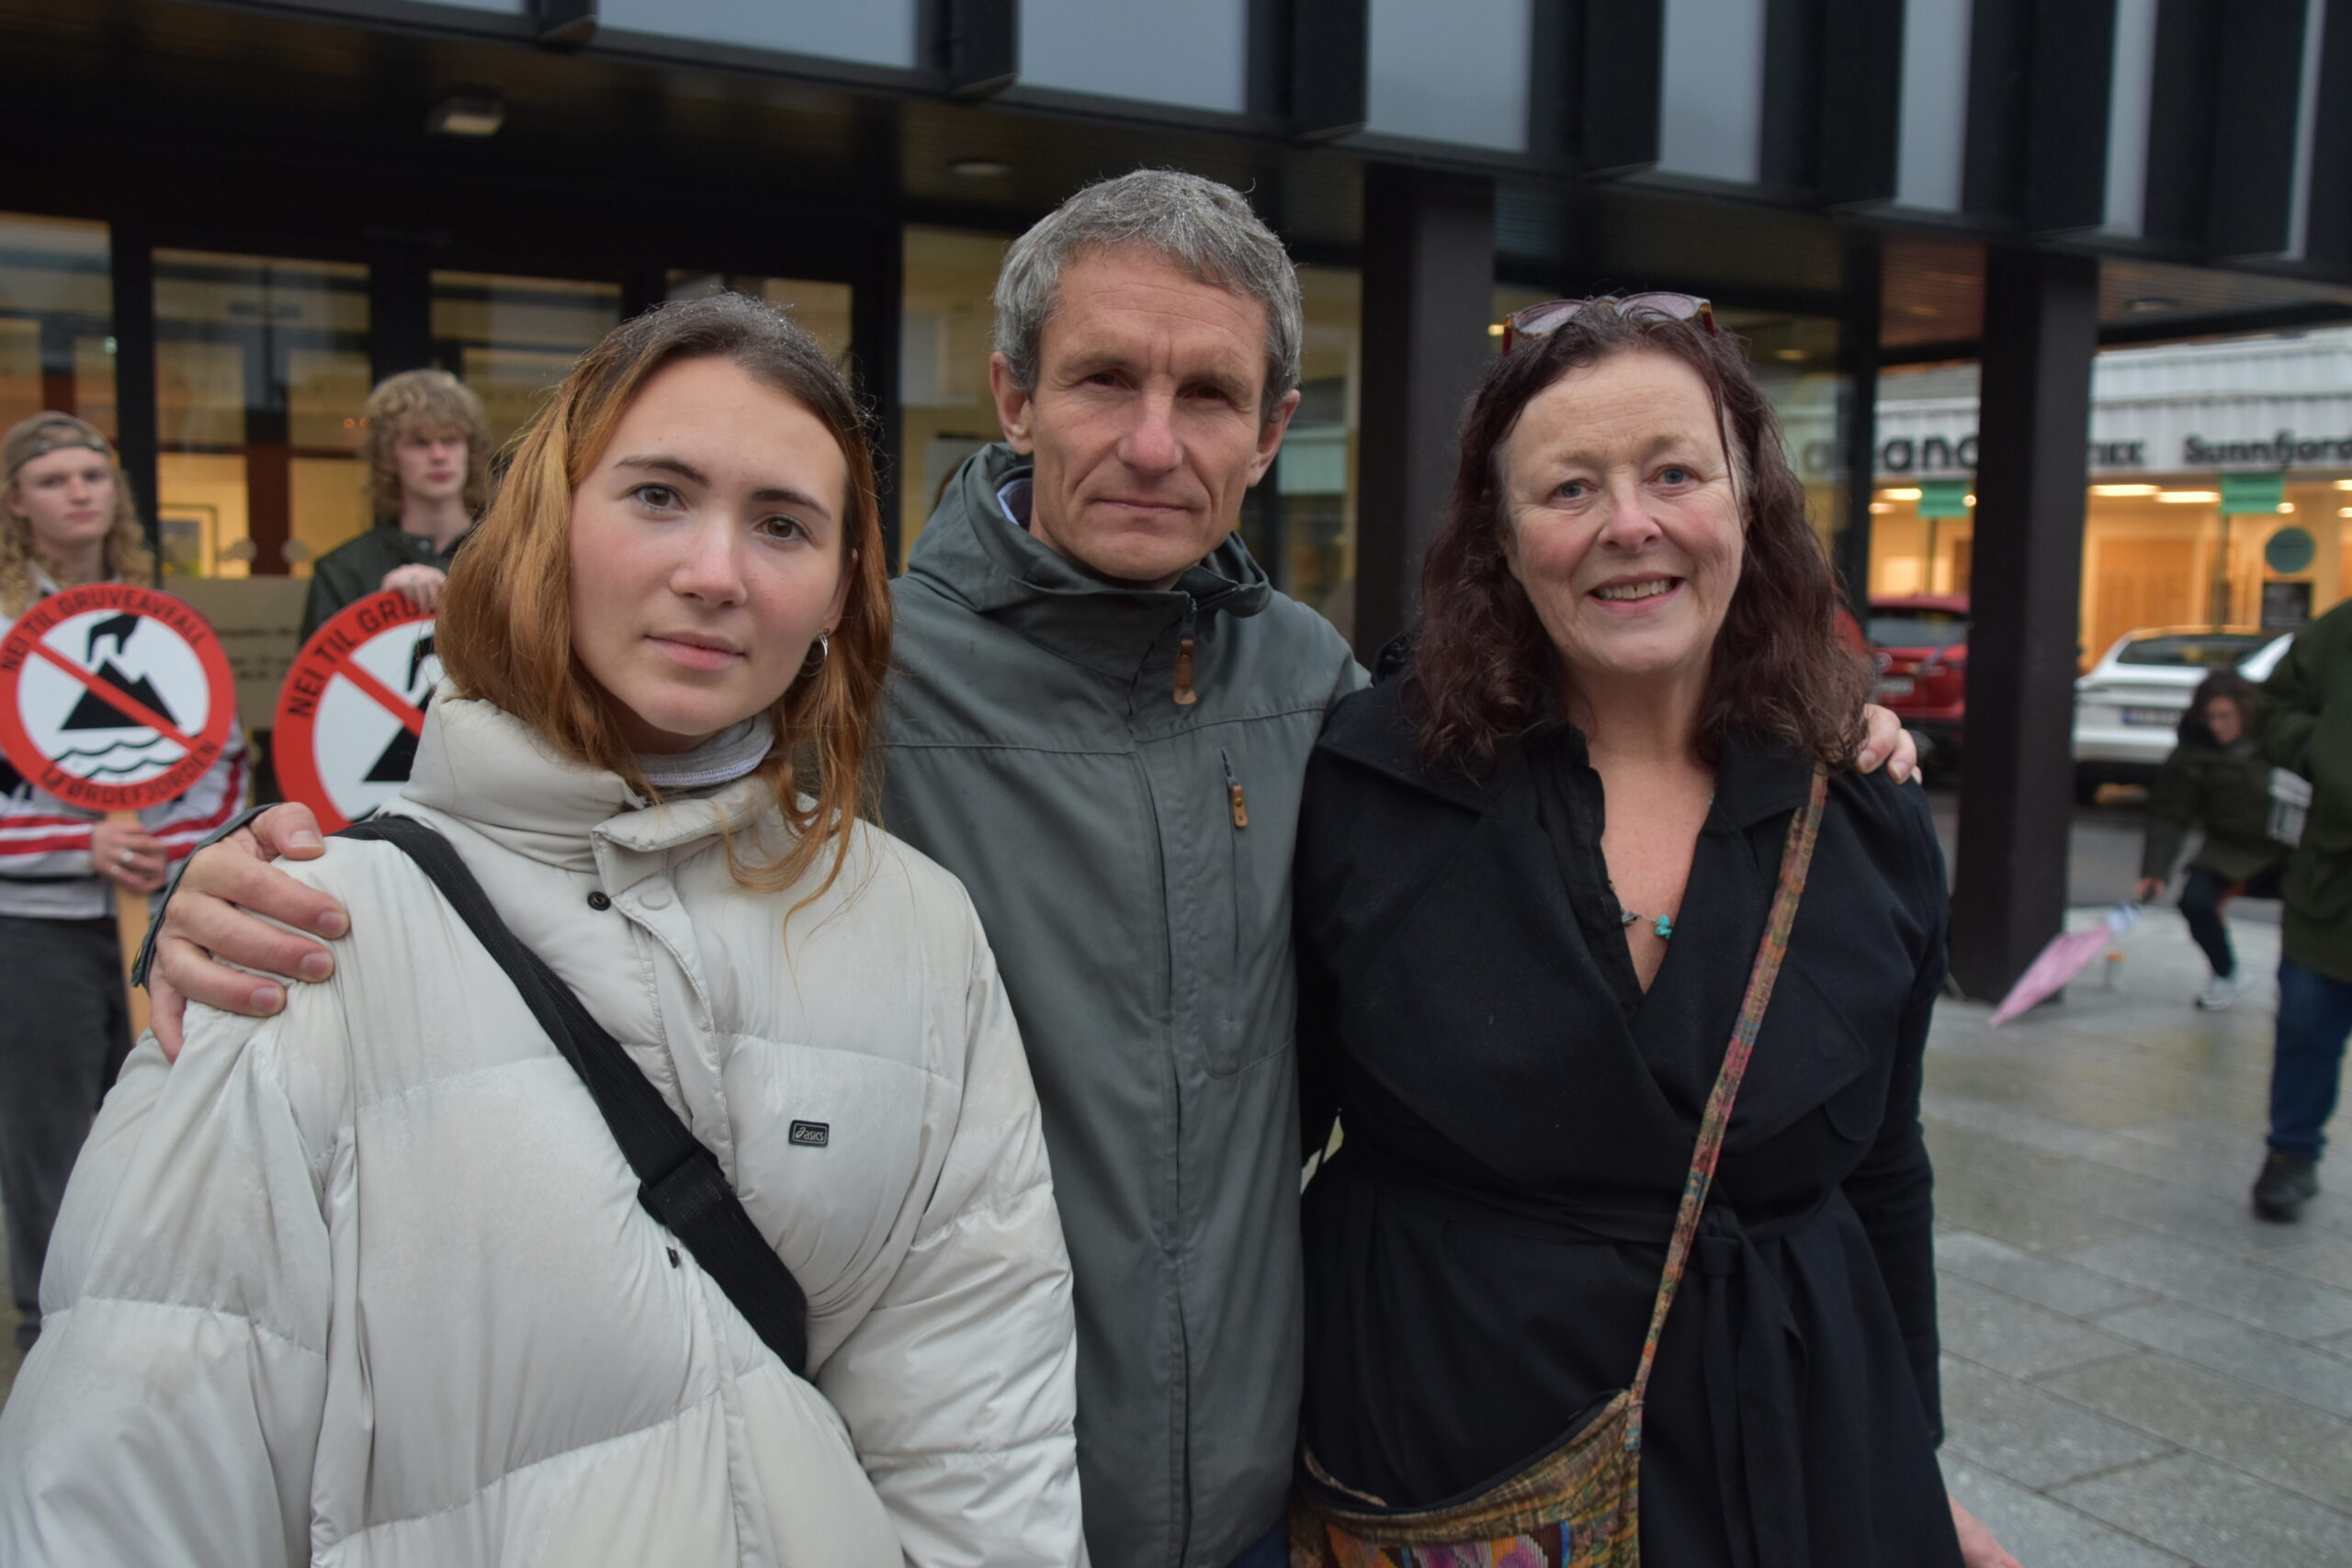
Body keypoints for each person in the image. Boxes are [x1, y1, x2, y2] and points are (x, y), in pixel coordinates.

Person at [138, 173, 1917, 1568]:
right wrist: (279, 881)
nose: (1152, 441)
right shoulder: (848, 666)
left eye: (1207, 395)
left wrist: (1813, 730)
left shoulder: (1321, 692)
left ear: (1271, 425)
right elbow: (574, 827)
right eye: (1104, 380)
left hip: (1259, 1489)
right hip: (915, 1490)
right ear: (1012, 394)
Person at [0, 297, 1083, 1566]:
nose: (715, 572)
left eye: (783, 524)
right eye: (658, 496)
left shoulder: (918, 923)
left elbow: (980, 1435)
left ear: (842, 589)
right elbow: (128, 1488)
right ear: (546, 521)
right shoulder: (300, 934)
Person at [1289, 298, 2015, 1567]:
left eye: (1675, 472)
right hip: (1459, 1471)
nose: (1630, 524)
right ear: (1501, 537)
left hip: (1794, 1462)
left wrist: (1919, 1461)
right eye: (1570, 487)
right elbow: (1263, 1146)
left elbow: (1883, 1173)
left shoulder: (1863, 811)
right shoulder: (1369, 787)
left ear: (1750, 503)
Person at [0, 412, 249, 1353]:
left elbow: (221, 762)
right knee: (48, 1143)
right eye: (52, 478)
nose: (78, 492)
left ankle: (142, 1333)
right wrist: (81, 843)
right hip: (32, 928)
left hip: (158, 919)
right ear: (15, 503)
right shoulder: (3, 629)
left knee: (159, 1120)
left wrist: (169, 854)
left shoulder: (163, 623)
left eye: (92, 475)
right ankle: (52, 1337)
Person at [2251, 597, 2352, 1222]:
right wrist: (2319, 749)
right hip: (2333, 878)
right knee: (2307, 1022)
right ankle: (2291, 1153)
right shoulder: (2340, 631)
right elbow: (2274, 708)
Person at [2133, 671, 2287, 1012]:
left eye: (2225, 716)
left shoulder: (2277, 738)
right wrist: (2155, 870)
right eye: (2211, 717)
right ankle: (2226, 973)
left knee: (2312, 911)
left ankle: (2300, 989)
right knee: (2196, 901)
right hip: (2229, 850)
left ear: (2245, 712)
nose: (2217, 725)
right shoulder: (2194, 751)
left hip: (2289, 849)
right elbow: (2170, 814)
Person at [299, 367, 489, 640]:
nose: (438, 455)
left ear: (469, 449)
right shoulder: (344, 570)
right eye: (419, 443)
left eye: (450, 440)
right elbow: (320, 665)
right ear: (388, 455)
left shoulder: (505, 554)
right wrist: (379, 609)